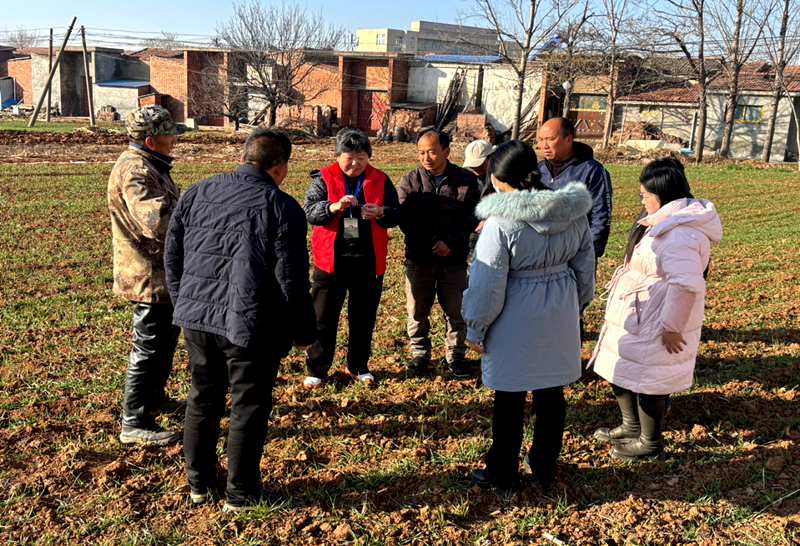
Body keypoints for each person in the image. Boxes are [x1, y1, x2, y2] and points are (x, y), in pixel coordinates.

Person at [164, 128, 316, 512]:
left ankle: (199, 485)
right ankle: (241, 493)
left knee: (203, 399)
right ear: (280, 167)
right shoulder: (281, 206)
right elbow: (292, 279)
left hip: (197, 320)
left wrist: (185, 304)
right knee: (248, 406)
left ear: (245, 155)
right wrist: (303, 332)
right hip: (251, 324)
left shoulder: (197, 191)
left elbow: (173, 255)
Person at [462, 140, 596, 494]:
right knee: (552, 393)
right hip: (561, 304)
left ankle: (502, 472)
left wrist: (475, 326)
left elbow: (487, 284)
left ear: (499, 180)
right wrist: (576, 307)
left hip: (515, 310)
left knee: (509, 398)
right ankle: (544, 464)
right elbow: (585, 265)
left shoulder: (501, 222)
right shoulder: (572, 210)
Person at [590, 158, 722, 461]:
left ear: (663, 195)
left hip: (657, 320)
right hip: (638, 313)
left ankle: (649, 441)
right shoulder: (661, 220)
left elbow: (687, 285)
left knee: (651, 383)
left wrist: (672, 327)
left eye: (645, 195)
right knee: (619, 370)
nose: (642, 200)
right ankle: (630, 425)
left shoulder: (679, 234)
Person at [108, 105, 187, 446]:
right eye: (170, 135)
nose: (174, 140)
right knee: (149, 346)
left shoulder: (151, 164)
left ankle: (155, 399)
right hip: (148, 274)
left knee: (164, 342)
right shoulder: (136, 170)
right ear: (152, 140)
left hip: (162, 274)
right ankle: (134, 422)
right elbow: (157, 223)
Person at [302, 129, 402, 389]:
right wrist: (334, 207)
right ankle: (317, 370)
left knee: (363, 318)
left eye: (361, 157)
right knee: (323, 319)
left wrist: (381, 212)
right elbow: (310, 211)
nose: (355, 163)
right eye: (349, 157)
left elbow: (397, 213)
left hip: (368, 262)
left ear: (369, 157)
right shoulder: (323, 178)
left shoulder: (381, 179)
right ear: (338, 156)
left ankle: (358, 366)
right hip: (331, 262)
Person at [398, 128, 481, 377]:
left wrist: (450, 243)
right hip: (419, 258)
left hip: (453, 259)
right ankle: (420, 354)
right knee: (417, 310)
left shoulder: (466, 180)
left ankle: (455, 356)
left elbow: (473, 215)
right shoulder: (409, 179)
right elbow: (405, 217)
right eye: (421, 152)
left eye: (432, 152)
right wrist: (432, 242)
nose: (426, 158)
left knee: (456, 311)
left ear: (446, 150)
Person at [537, 117, 613, 260]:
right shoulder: (538, 169)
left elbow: (600, 216)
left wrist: (587, 253)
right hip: (542, 255)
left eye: (550, 139)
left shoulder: (591, 170)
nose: (544, 145)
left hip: (577, 255)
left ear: (568, 139)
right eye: (541, 139)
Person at [462, 139, 496, 255]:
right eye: (472, 164)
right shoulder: (464, 177)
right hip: (469, 234)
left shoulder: (501, 178)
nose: (475, 168)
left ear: (491, 158)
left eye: (479, 163)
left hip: (493, 233)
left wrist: (491, 220)